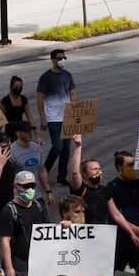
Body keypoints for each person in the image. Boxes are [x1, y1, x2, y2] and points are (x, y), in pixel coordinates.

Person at [34, 48, 77, 185]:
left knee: (65, 149)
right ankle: (44, 170)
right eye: (59, 58)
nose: (62, 60)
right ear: (53, 60)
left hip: (67, 117)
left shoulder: (67, 75)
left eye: (64, 58)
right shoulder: (46, 77)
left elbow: (73, 93)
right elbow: (40, 97)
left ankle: (61, 176)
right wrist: (43, 118)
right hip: (53, 118)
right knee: (57, 147)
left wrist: (76, 112)